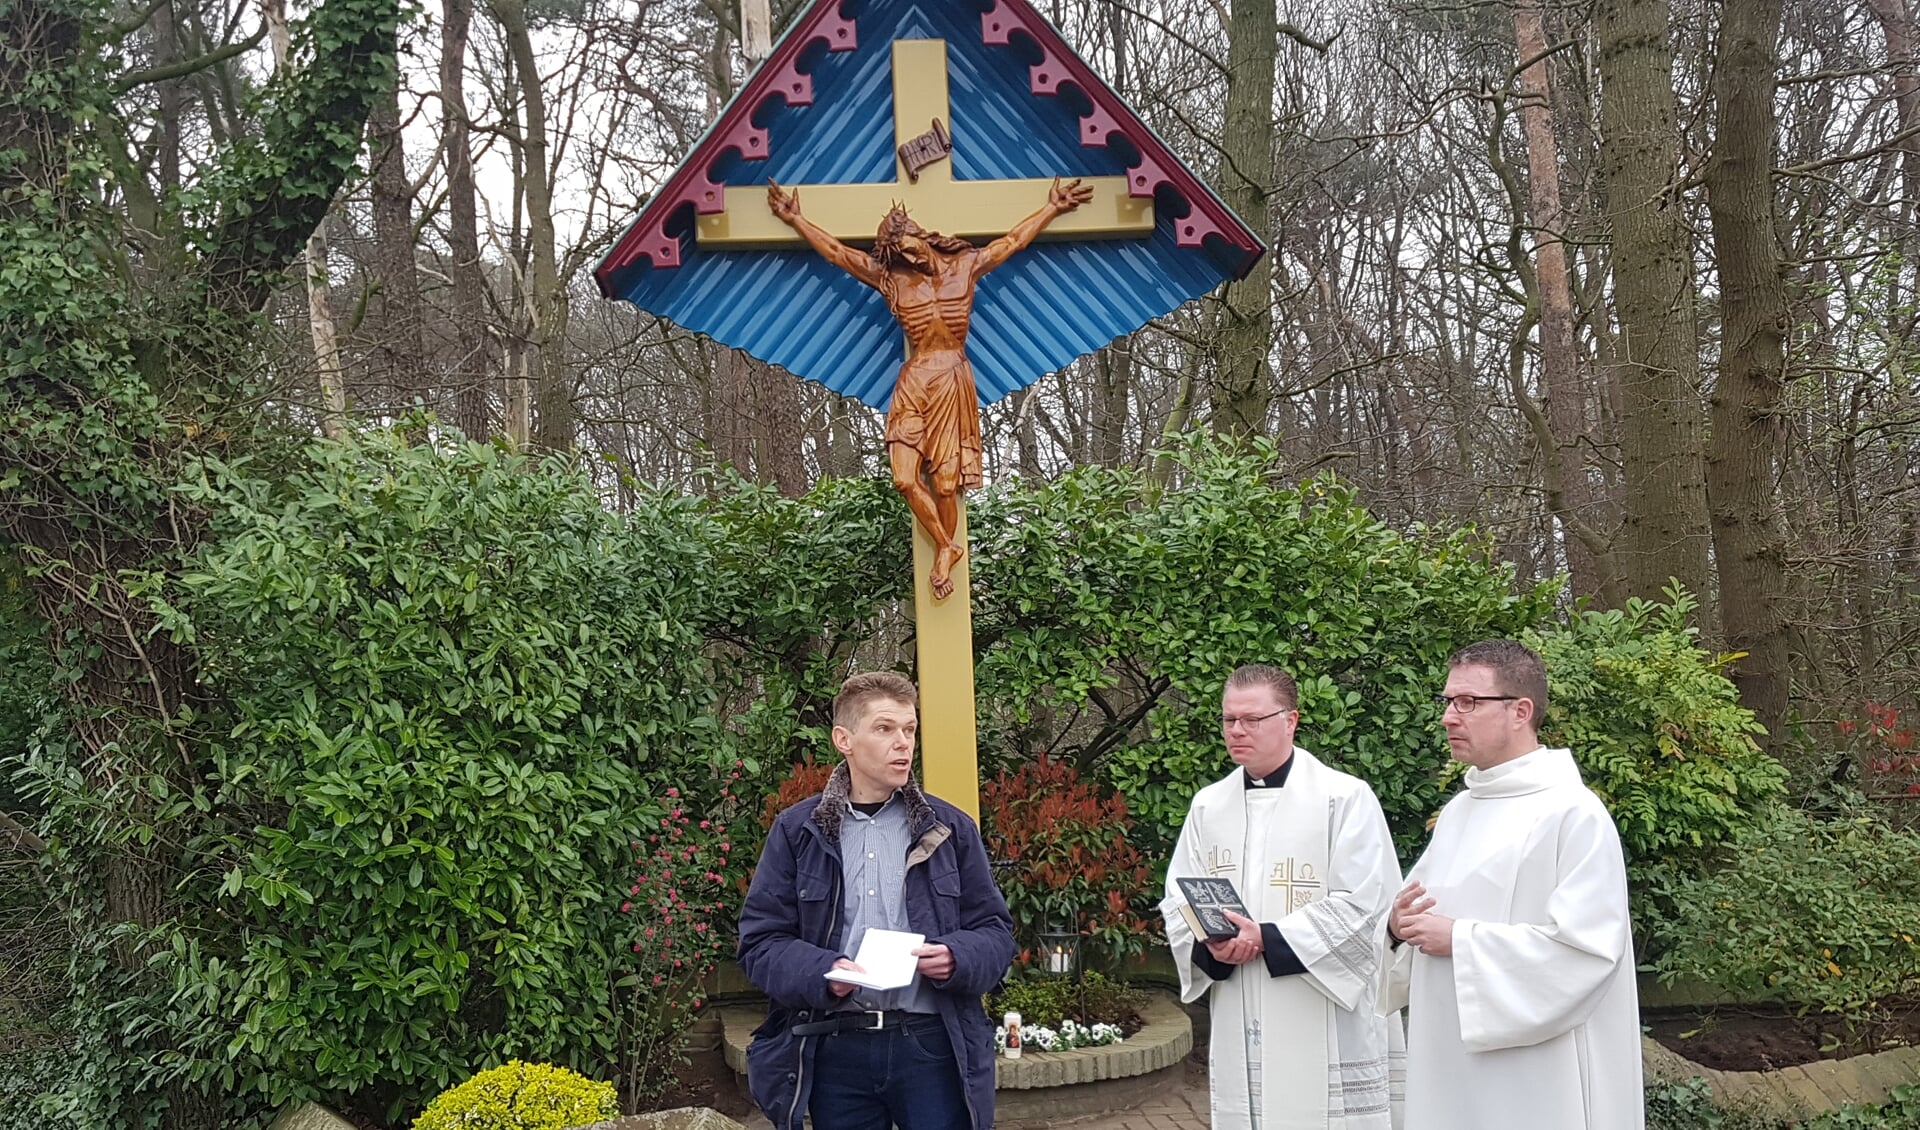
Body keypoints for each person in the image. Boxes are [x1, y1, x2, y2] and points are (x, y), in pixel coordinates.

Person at [765, 177, 1093, 600]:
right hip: (915, 380)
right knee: (903, 479)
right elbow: (836, 253)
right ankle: (947, 543)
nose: (906, 255)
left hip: (952, 379)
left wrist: (1053, 208)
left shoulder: (966, 265)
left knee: (945, 486)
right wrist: (796, 220)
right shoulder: (892, 281)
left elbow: (1013, 241)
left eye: (907, 245)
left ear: (920, 235)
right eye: (897, 252)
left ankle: (945, 552)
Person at [1380, 640, 1642, 1130]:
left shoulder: (1574, 814)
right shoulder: (1461, 810)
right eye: (1448, 702)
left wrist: (1459, 938)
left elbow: (1587, 954)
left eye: (1468, 703)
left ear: (1521, 711)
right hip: (1447, 1058)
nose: (1448, 718)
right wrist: (1397, 927)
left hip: (1539, 1073)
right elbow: (1417, 914)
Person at [737, 671, 1015, 1130]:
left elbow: (996, 934)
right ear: (843, 739)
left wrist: (956, 957)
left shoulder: (950, 829)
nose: (903, 743)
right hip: (835, 1049)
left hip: (931, 1047)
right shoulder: (797, 831)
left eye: (909, 730)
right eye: (885, 729)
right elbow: (760, 942)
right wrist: (823, 973)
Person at [1160, 664, 1405, 1129]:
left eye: (1252, 719)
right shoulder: (1209, 805)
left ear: (1290, 720)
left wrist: (1268, 938)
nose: (1237, 730)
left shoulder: (1343, 798)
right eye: (1229, 719)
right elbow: (1178, 897)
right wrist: (1210, 944)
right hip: (1239, 1003)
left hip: (1321, 1005)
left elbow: (1368, 904)